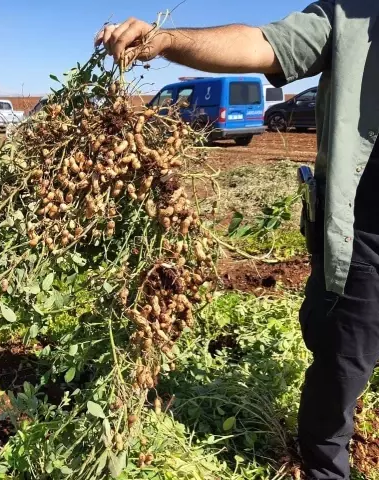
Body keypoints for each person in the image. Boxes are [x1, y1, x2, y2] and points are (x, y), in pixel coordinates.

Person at [97, 3, 379, 480]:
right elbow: (262, 44)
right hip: (366, 226)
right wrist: (164, 40)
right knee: (343, 360)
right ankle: (325, 467)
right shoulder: (352, 14)